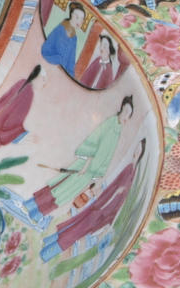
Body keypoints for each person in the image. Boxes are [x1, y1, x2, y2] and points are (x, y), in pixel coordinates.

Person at [25, 95, 134, 223]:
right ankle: (31, 205)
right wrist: (86, 164)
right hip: (84, 165)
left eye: (129, 114)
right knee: (61, 187)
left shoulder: (118, 130)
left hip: (90, 172)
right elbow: (94, 139)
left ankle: (38, 214)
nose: (126, 115)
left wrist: (97, 175)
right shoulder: (110, 123)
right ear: (122, 108)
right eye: (126, 111)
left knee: (68, 194)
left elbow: (108, 156)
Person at [41, 140, 147, 260]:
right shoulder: (128, 168)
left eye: (139, 151)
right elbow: (114, 185)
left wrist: (115, 196)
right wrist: (101, 193)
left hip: (104, 211)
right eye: (136, 149)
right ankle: (48, 243)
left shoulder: (132, 174)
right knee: (74, 224)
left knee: (76, 231)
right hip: (100, 206)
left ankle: (47, 253)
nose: (136, 152)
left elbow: (120, 193)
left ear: (140, 154)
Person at [41, 1, 85, 75]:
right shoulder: (60, 29)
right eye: (77, 17)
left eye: (81, 19)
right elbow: (45, 50)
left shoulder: (74, 38)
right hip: (48, 68)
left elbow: (71, 61)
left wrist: (70, 77)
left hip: (60, 74)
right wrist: (58, 61)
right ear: (71, 15)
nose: (79, 22)